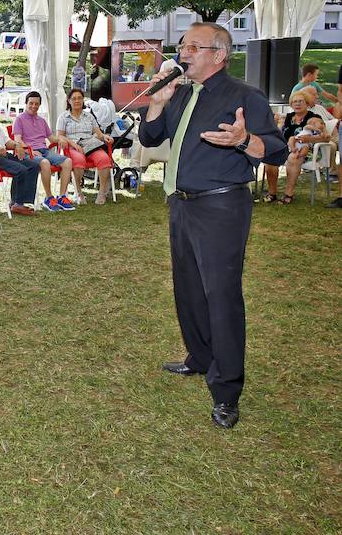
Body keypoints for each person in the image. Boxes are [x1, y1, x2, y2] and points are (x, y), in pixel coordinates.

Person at [138, 22, 287, 429]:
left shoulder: (244, 96)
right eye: (182, 46)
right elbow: (151, 138)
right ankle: (199, 358)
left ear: (219, 55)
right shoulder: (183, 92)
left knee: (221, 297)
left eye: (192, 46)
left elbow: (277, 150)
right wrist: (158, 101)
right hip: (181, 206)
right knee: (188, 290)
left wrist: (243, 140)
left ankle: (226, 390)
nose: (183, 52)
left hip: (221, 208)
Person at [12, 91, 74, 211]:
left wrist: (62, 139)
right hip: (28, 153)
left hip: (44, 150)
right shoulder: (19, 119)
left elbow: (51, 138)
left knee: (68, 162)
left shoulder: (42, 121)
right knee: (44, 162)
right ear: (26, 103)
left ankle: (61, 197)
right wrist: (30, 150)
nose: (34, 106)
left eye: (36, 104)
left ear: (39, 105)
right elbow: (18, 140)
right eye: (31, 103)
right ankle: (49, 198)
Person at [56, 88, 114, 205]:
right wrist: (73, 144)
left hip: (90, 145)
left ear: (83, 100)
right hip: (73, 146)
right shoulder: (63, 117)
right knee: (79, 160)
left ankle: (102, 192)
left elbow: (98, 133)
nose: (77, 101)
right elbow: (60, 137)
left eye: (79, 98)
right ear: (69, 101)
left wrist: (105, 137)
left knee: (104, 159)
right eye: (74, 99)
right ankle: (79, 192)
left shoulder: (89, 116)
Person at [263, 91, 318, 202]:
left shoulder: (314, 118)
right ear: (291, 105)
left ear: (307, 103)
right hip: (285, 148)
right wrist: (275, 124)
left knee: (293, 157)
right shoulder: (287, 117)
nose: (297, 104)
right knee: (270, 157)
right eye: (294, 101)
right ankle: (272, 193)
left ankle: (288, 194)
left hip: (307, 150)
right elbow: (279, 134)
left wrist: (309, 139)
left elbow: (325, 136)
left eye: (300, 101)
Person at [276, 116, 330, 205]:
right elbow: (308, 127)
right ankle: (294, 151)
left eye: (301, 101)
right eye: (295, 101)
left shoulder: (318, 126)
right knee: (292, 141)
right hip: (293, 145)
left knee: (295, 157)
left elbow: (327, 138)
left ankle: (288, 192)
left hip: (310, 152)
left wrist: (320, 132)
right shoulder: (307, 126)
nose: (319, 124)